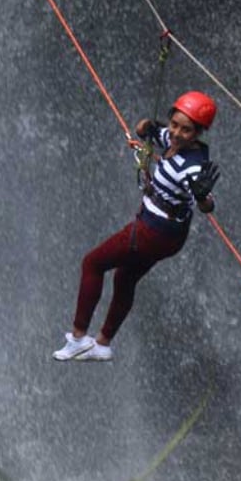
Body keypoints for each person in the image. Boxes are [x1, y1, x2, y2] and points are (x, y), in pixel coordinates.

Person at [53, 90, 222, 362]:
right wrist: (148, 127)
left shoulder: (193, 167)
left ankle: (78, 338)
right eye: (175, 124)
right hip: (168, 234)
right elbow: (145, 129)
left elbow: (207, 205)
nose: (178, 133)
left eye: (187, 130)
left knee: (92, 263)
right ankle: (103, 344)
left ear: (199, 133)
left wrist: (203, 196)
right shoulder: (171, 139)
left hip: (153, 232)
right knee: (125, 277)